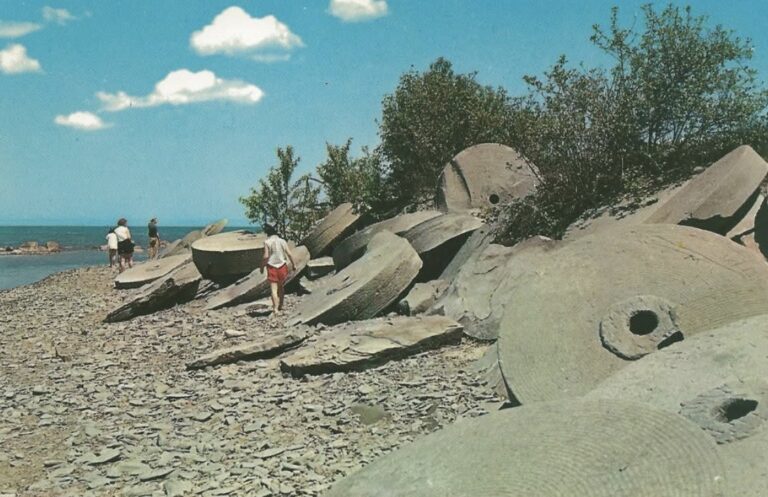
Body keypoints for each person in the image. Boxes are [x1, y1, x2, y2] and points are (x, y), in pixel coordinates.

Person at [260, 223, 295, 316]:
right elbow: (289, 253)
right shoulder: (282, 241)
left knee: (273, 289)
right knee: (281, 287)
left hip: (272, 266)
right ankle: (281, 305)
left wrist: (262, 266)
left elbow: (266, 256)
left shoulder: (267, 242)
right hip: (282, 266)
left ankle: (275, 309)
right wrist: (293, 264)